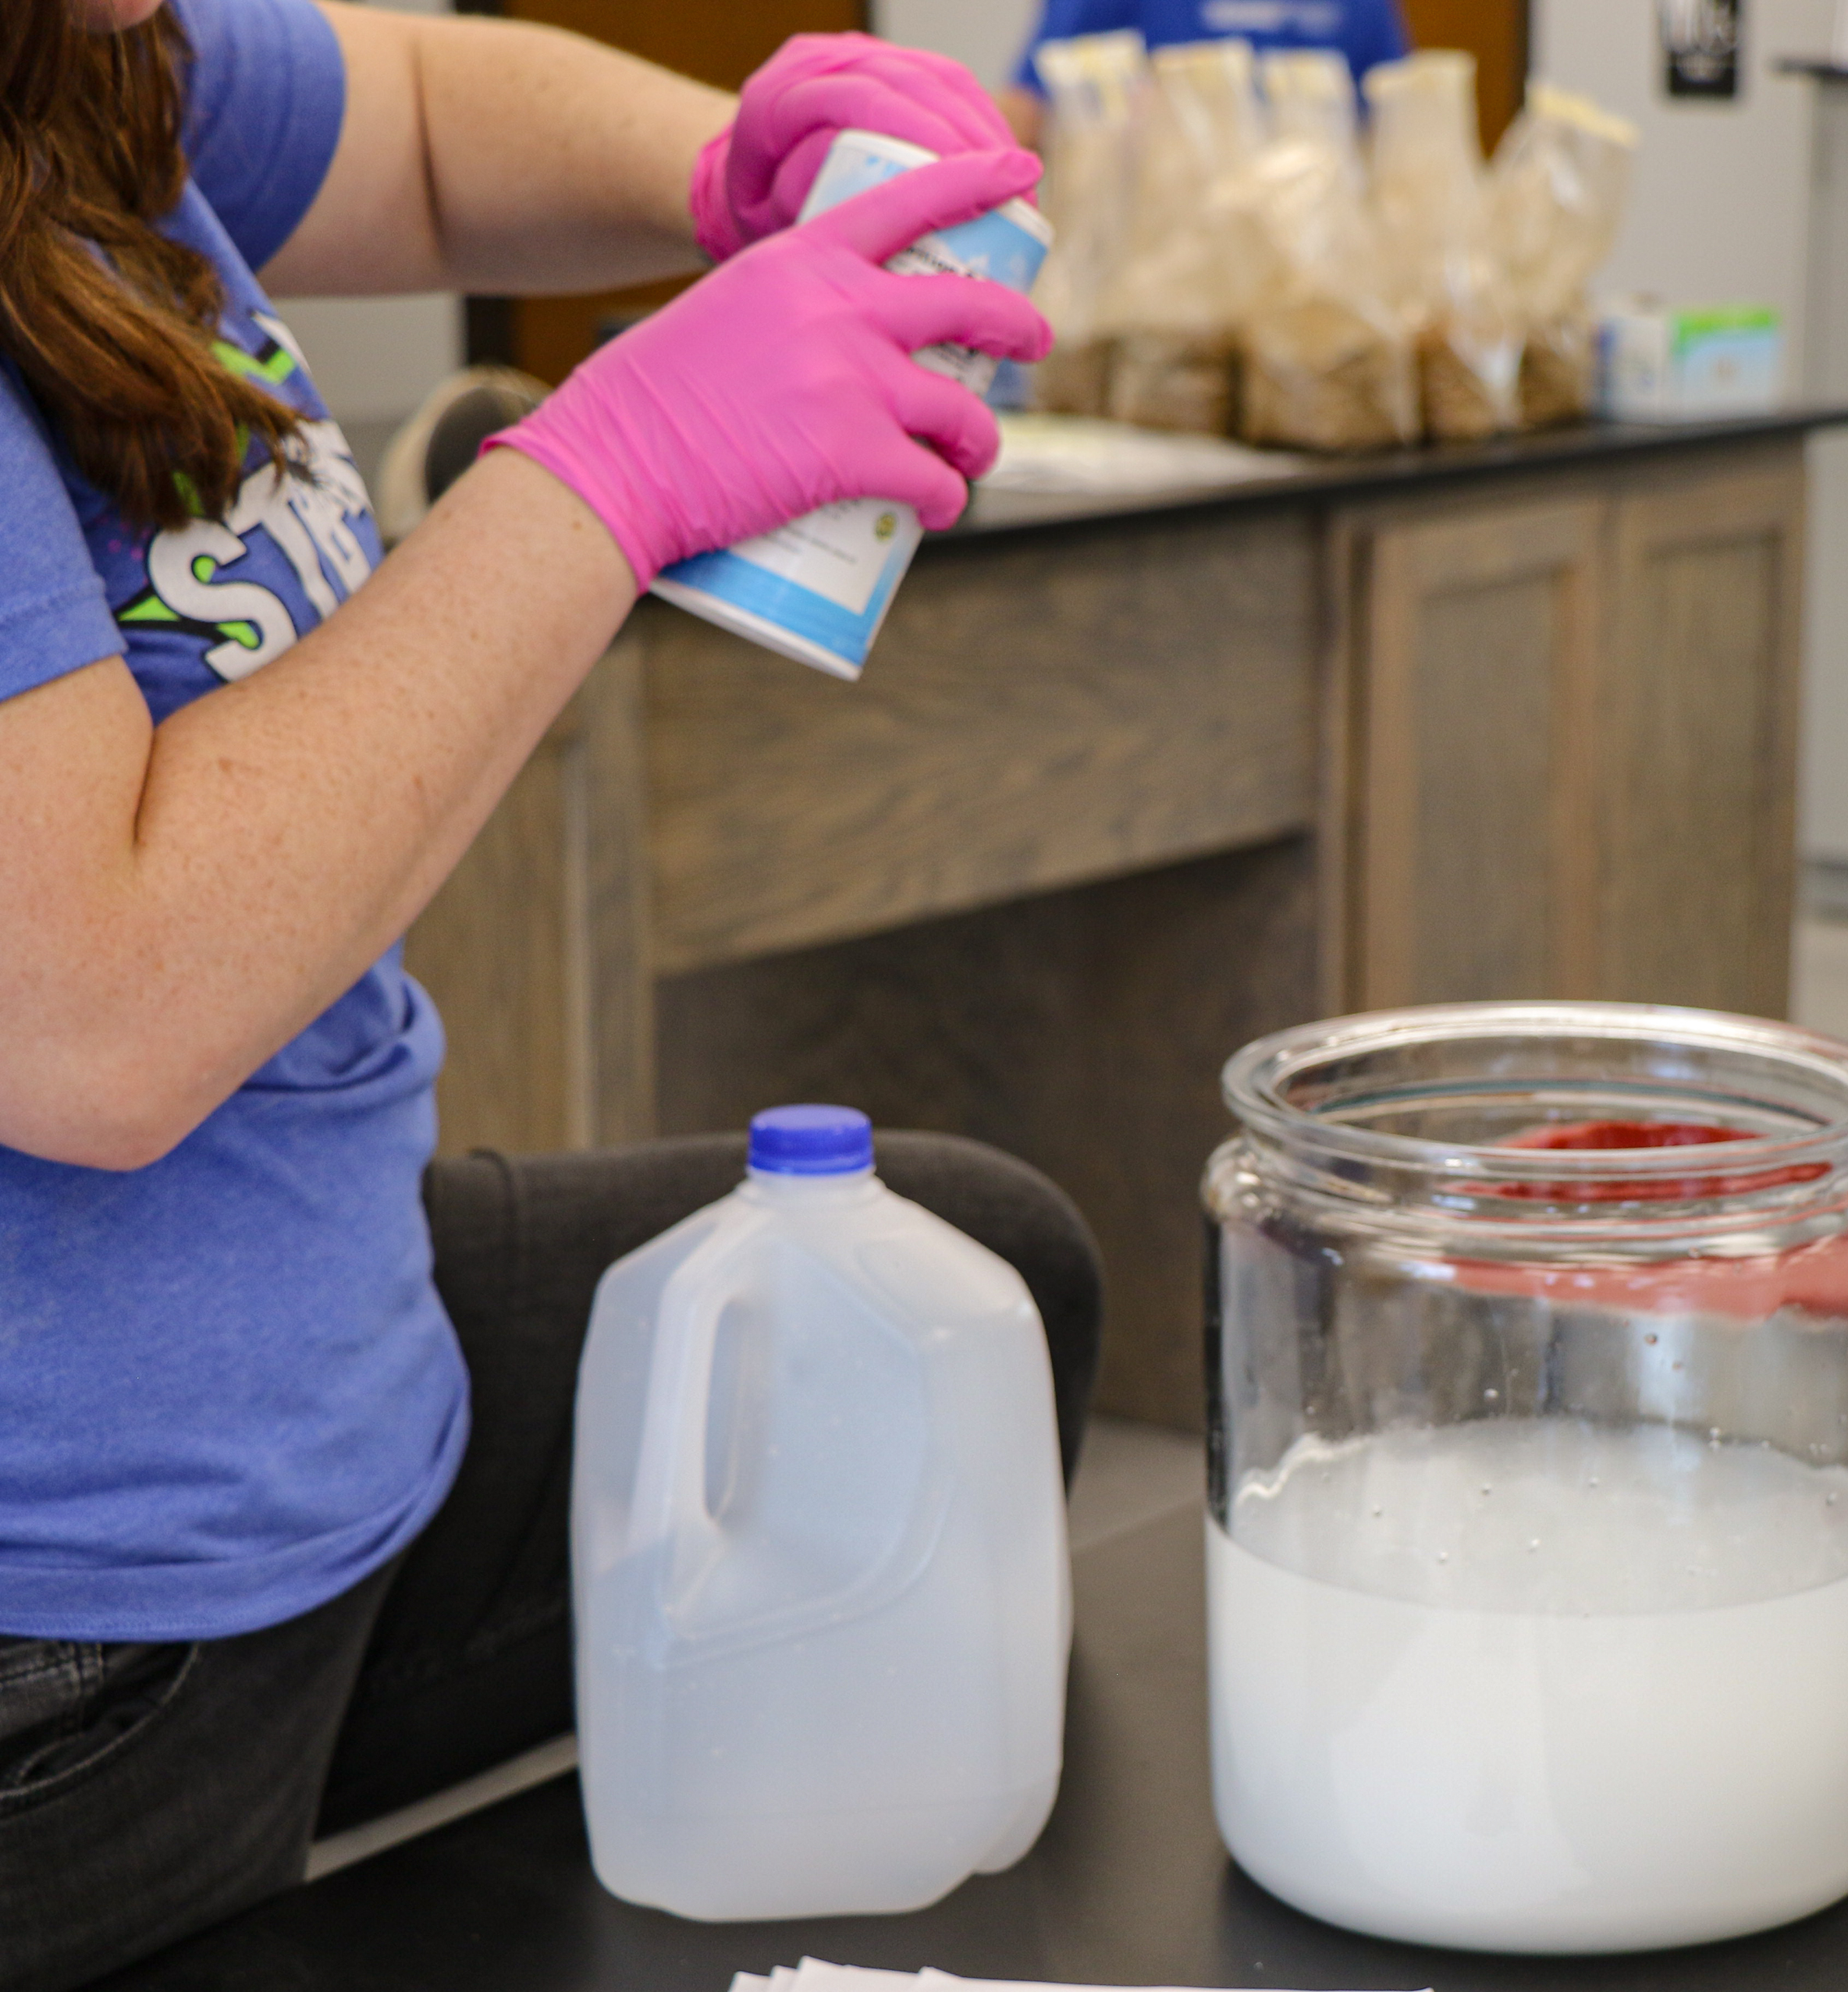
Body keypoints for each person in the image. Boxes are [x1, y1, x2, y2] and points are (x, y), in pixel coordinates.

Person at [0, 3, 1053, 1983]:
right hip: (77, 1595)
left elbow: (398, 116)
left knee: (984, 1286)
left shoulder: (82, 51)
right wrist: (613, 466)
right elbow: (90, 1015)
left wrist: (726, 165)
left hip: (325, 1373)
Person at [995, 0, 1409, 138]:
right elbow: (1030, 103)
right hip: (1150, 259)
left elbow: (1396, 122)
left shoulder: (1363, 7)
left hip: (1306, 267)